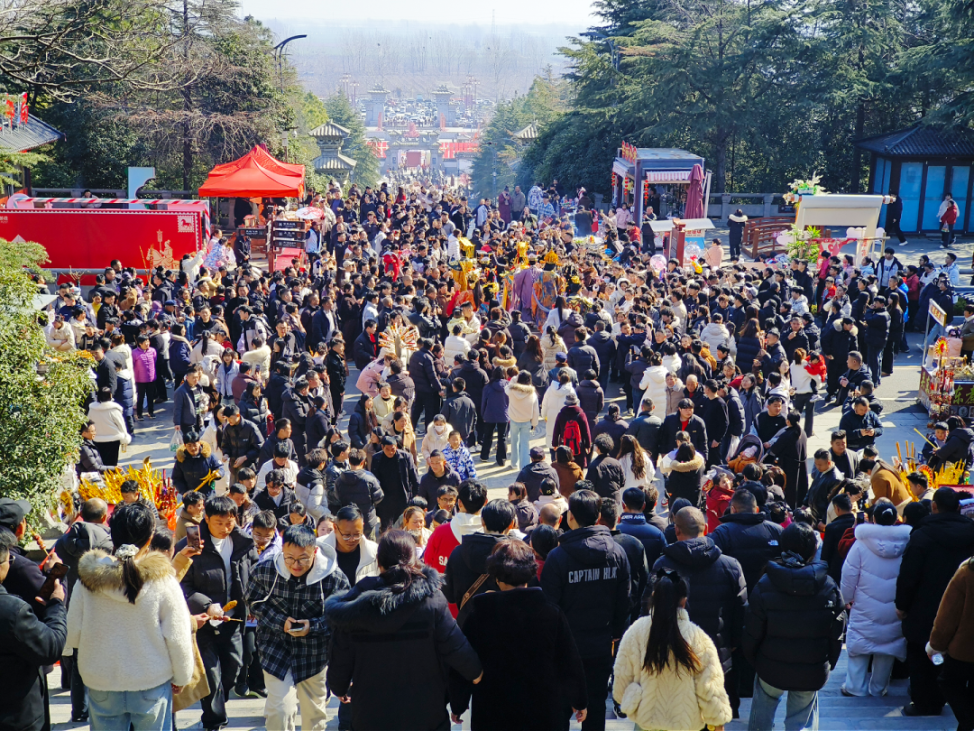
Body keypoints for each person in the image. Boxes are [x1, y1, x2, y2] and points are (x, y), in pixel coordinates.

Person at [325, 530, 484, 731]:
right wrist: (475, 672)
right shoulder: (431, 602)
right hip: (426, 710)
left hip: (371, 713)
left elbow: (340, 656)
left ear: (378, 562)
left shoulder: (353, 608)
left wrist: (339, 687)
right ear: (414, 561)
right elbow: (455, 647)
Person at [66, 502, 194, 731]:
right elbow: (178, 635)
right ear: (150, 536)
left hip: (101, 679)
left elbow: (72, 633)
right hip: (150, 680)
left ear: (111, 533)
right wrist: (182, 676)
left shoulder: (87, 580)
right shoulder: (163, 581)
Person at [449, 539, 588, 729]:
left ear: (496, 576)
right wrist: (578, 700)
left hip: (493, 709)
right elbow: (568, 660)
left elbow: (466, 662)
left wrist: (458, 702)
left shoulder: (480, 615)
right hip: (541, 709)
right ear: (529, 573)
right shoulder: (550, 613)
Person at [541, 489, 631, 731]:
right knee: (596, 704)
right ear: (599, 516)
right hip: (600, 645)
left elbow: (549, 607)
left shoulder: (557, 557)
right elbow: (624, 600)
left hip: (564, 648)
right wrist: (614, 632)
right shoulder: (617, 553)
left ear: (570, 517)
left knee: (559, 706)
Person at [744, 522, 847, 731]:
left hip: (770, 665)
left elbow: (752, 630)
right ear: (813, 549)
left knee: (762, 712)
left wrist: (755, 660)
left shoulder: (765, 583)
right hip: (811, 667)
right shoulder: (827, 585)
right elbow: (837, 632)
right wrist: (828, 663)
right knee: (802, 720)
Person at [247, 525, 350, 731]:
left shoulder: (334, 577)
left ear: (315, 551)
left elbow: (341, 617)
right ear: (281, 550)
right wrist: (279, 621)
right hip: (275, 647)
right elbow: (254, 603)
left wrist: (313, 626)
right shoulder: (265, 569)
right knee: (279, 711)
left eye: (303, 558)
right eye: (289, 558)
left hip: (314, 653)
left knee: (314, 716)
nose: (295, 565)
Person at [652, 506, 748, 717]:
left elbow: (650, 609)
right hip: (717, 656)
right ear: (705, 528)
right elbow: (742, 612)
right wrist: (732, 644)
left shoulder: (663, 565)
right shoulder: (731, 566)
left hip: (674, 654)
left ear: (676, 530)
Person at [176, 495, 259, 731]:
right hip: (203, 621)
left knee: (233, 668)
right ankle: (213, 720)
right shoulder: (191, 544)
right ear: (207, 519)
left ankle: (218, 703)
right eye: (219, 523)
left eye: (229, 522)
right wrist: (206, 605)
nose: (225, 528)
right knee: (210, 675)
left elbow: (254, 574)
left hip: (233, 619)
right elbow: (182, 586)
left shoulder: (243, 541)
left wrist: (252, 602)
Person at [613, 569, 733, 731]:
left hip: (646, 722)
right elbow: (709, 686)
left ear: (654, 596)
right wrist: (717, 721)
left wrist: (635, 699)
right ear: (684, 601)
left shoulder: (636, 632)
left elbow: (620, 684)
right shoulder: (697, 637)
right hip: (684, 723)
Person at [895, 487, 974, 717]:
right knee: (957, 657)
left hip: (924, 608)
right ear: (959, 508)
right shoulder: (970, 533)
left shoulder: (921, 536)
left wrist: (902, 604)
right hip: (965, 610)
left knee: (921, 656)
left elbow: (908, 575)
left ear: (934, 506)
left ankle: (925, 702)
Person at [840, 500, 911, 698]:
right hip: (894, 606)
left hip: (864, 605)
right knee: (887, 646)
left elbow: (848, 575)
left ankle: (855, 687)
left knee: (860, 646)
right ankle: (879, 688)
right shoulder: (906, 544)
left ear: (873, 519)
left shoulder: (861, 544)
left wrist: (846, 598)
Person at [0, 539, 68, 731]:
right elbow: (51, 646)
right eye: (9, 560)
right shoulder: (12, 611)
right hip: (15, 716)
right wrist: (56, 604)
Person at [444, 499, 517, 625]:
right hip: (505, 625)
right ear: (511, 524)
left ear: (482, 521)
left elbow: (448, 595)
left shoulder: (458, 552)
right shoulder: (516, 555)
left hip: (467, 624)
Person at [928, 556, 974, 731]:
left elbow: (948, 616)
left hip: (965, 648)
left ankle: (969, 724)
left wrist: (936, 645)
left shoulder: (967, 572)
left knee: (949, 681)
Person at [370, 436, 419, 532]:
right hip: (384, 498)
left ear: (396, 446)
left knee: (402, 524)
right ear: (382, 447)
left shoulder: (405, 457)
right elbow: (374, 479)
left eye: (393, 449)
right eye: (387, 449)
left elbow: (414, 477)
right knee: (386, 526)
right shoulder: (377, 458)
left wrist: (413, 495)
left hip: (402, 495)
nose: (390, 452)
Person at [172, 428, 225, 496]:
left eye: (195, 445)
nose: (193, 448)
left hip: (208, 495)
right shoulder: (181, 460)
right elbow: (176, 479)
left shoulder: (208, 456)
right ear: (185, 445)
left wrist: (219, 473)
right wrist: (184, 492)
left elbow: (220, 467)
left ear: (199, 443)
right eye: (189, 445)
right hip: (191, 496)